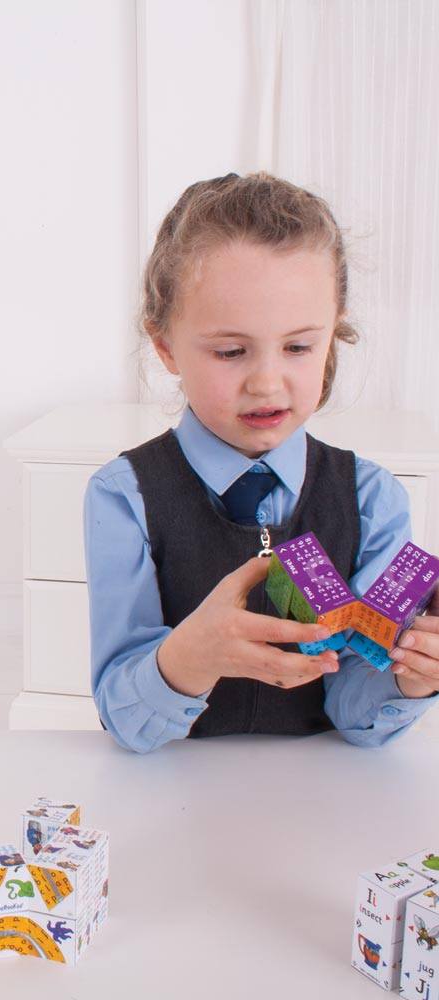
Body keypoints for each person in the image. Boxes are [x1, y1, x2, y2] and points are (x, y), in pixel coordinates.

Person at [84, 172, 439, 752]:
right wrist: (188, 658)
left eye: (299, 347)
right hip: (177, 788)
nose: (268, 382)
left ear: (334, 333)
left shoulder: (372, 499)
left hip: (320, 796)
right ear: (167, 346)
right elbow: (125, 720)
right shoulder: (125, 495)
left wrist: (411, 677)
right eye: (231, 351)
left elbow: (355, 712)